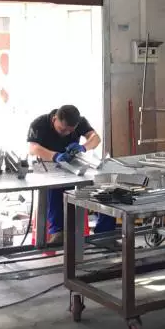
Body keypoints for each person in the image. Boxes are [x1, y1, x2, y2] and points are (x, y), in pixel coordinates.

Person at [27, 104, 111, 245]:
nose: (66, 133)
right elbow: (33, 148)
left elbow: (95, 138)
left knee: (104, 190)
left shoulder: (80, 121)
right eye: (62, 129)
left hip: (73, 166)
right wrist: (54, 156)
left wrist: (83, 147)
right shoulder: (40, 123)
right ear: (55, 118)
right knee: (55, 191)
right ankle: (58, 233)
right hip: (49, 167)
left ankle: (105, 235)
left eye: (70, 131)